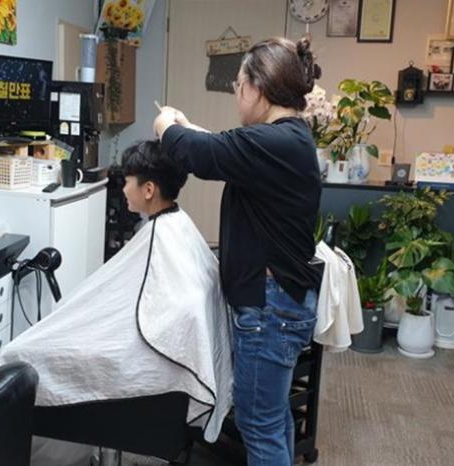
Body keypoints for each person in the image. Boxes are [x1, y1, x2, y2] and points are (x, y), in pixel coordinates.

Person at [0, 140, 233, 444]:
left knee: (16, 357)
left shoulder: (162, 235)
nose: (123, 189)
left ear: (148, 189)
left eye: (127, 181)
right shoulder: (177, 224)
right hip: (156, 367)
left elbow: (172, 317)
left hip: (150, 376)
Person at [153, 37, 323, 466]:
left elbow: (203, 154)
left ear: (257, 88)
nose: (236, 93)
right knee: (273, 417)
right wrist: (187, 128)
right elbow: (223, 148)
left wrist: (166, 127)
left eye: (238, 84)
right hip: (278, 303)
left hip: (270, 310)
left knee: (258, 424)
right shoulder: (286, 138)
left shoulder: (276, 142)